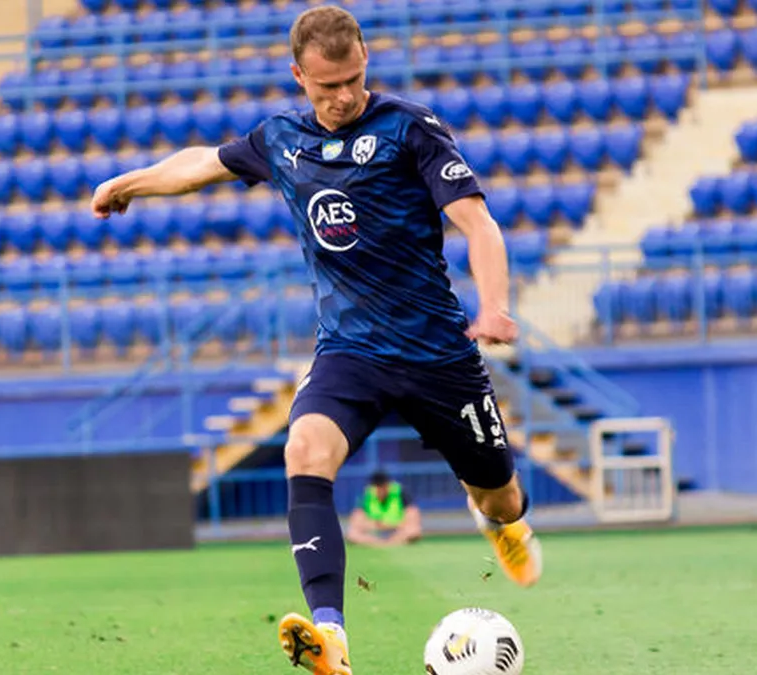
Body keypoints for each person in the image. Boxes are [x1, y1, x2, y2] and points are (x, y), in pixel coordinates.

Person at [90, 6, 543, 673]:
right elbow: (201, 164)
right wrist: (126, 184)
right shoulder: (281, 138)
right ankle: (330, 635)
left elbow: (478, 224)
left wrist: (497, 307)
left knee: (497, 492)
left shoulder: (408, 129)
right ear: (299, 76)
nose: (344, 97)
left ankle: (504, 522)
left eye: (354, 79)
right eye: (328, 85)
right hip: (349, 352)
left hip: (437, 353)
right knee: (303, 449)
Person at [347, 471, 422, 547]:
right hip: (374, 533)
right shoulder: (367, 495)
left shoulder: (400, 492)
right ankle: (384, 544)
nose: (381, 490)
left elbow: (413, 514)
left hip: (397, 530)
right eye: (378, 487)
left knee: (414, 531)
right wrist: (374, 525)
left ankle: (389, 543)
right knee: (352, 534)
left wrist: (391, 525)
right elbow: (357, 517)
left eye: (383, 487)